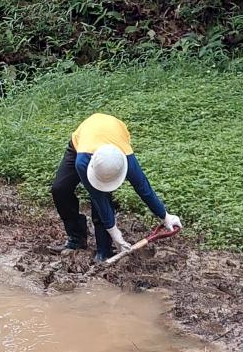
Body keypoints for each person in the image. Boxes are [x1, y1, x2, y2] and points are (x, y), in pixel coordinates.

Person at [50, 112, 182, 263]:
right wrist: (115, 233)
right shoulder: (82, 162)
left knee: (103, 199)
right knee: (60, 189)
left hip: (115, 139)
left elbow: (144, 189)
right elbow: (97, 197)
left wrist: (165, 216)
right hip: (82, 143)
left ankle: (104, 251)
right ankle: (76, 238)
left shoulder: (127, 159)